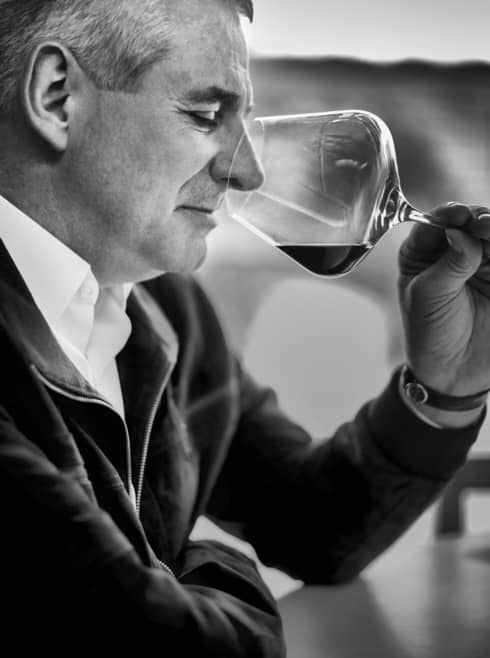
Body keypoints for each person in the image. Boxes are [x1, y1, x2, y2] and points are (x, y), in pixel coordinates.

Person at [0, 0, 489, 655]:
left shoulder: (168, 310)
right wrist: (215, 570)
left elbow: (313, 526)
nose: (248, 171)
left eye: (246, 121)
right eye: (208, 115)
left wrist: (444, 384)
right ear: (57, 96)